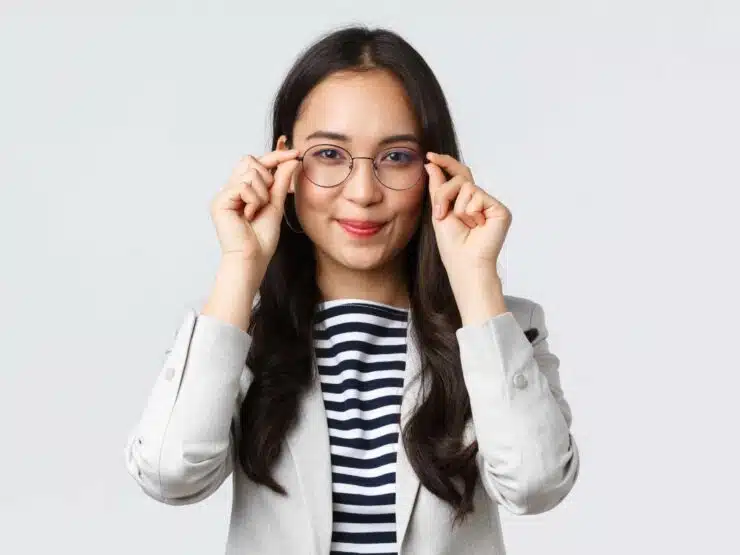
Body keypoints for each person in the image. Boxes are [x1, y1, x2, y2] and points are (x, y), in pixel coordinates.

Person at [124, 25, 580, 555]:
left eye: (396, 157)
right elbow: (169, 475)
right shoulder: (240, 331)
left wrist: (476, 280)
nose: (363, 193)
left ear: (437, 169)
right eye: (330, 155)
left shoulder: (500, 328)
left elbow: (536, 485)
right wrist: (240, 264)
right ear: (286, 165)